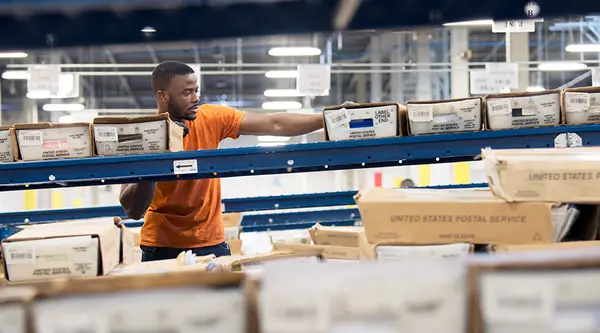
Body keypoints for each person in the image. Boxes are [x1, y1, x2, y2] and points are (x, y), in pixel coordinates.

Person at [120, 61, 323, 262]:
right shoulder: (142, 135)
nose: (195, 98)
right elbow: (133, 210)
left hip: (211, 243)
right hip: (162, 248)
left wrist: (325, 118)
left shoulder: (211, 118)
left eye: (196, 91)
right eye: (187, 92)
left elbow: (274, 124)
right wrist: (154, 154)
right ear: (163, 96)